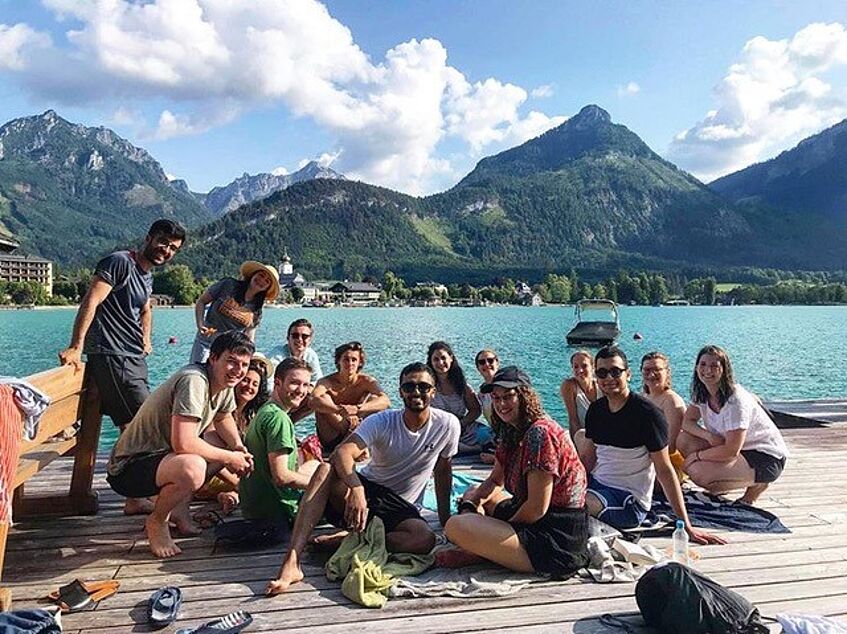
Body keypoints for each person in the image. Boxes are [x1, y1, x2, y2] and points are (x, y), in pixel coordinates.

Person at [265, 362, 460, 596]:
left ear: (433, 391)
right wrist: (357, 490)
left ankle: (350, 540)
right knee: (325, 469)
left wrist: (445, 519)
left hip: (401, 506)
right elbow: (343, 452)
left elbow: (443, 470)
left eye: (423, 386)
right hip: (369, 492)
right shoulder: (384, 421)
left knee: (424, 540)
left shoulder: (448, 425)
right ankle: (292, 562)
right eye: (409, 386)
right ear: (400, 391)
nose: (416, 392)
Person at [59, 218, 186, 516]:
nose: (166, 251)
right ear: (149, 237)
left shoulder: (146, 274)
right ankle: (138, 495)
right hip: (112, 356)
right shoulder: (119, 262)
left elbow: (145, 307)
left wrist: (146, 338)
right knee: (145, 426)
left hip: (133, 358)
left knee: (132, 427)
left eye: (173, 249)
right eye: (163, 243)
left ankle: (134, 497)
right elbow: (91, 300)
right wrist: (77, 346)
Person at [105, 332, 256, 558]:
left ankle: (178, 512)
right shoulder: (194, 380)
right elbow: (183, 442)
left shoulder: (223, 383)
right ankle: (157, 521)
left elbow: (223, 417)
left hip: (159, 460)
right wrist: (229, 458)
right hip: (127, 469)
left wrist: (237, 447)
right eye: (232, 361)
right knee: (192, 467)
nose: (238, 370)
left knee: (218, 444)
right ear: (213, 358)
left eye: (244, 364)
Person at [445, 367, 590, 578]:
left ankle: (486, 550)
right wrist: (471, 504)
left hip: (556, 539)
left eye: (508, 397)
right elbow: (495, 480)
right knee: (476, 492)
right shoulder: (511, 431)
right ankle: (489, 547)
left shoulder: (540, 434)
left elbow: (536, 508)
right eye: (496, 398)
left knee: (455, 526)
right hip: (535, 520)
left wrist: (496, 528)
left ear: (524, 396)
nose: (501, 404)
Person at [574, 346, 725, 545]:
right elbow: (588, 459)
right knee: (557, 496)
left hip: (628, 501)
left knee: (575, 504)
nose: (609, 378)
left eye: (615, 371)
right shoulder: (596, 411)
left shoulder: (648, 415)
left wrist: (685, 525)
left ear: (628, 374)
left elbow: (664, 470)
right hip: (598, 485)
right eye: (602, 373)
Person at [678, 345, 789, 505]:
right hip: (734, 449)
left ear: (724, 369)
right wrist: (708, 435)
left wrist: (696, 457)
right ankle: (725, 480)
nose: (707, 370)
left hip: (764, 456)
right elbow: (687, 422)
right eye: (703, 364)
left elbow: (730, 451)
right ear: (696, 367)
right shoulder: (703, 393)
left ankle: (756, 486)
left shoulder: (735, 400)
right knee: (684, 440)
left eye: (714, 365)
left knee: (698, 472)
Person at [239, 358, 323, 523]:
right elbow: (282, 477)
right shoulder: (279, 419)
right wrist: (323, 485)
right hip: (279, 512)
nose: (301, 390)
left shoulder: (265, 410)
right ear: (277, 383)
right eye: (294, 383)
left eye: (305, 385)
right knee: (335, 484)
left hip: (253, 507)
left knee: (317, 466)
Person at [190, 261, 280, 364]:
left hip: (229, 351)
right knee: (197, 372)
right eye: (261, 275)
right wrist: (200, 324)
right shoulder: (228, 285)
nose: (262, 280)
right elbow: (201, 302)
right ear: (252, 275)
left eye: (267, 281)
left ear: (267, 288)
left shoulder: (256, 310)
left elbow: (249, 337)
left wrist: (248, 358)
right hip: (205, 342)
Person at [310, 342, 390, 453]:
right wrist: (340, 410)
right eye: (346, 359)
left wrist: (357, 409)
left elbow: (385, 401)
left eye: (354, 360)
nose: (350, 363)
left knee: (374, 399)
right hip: (332, 435)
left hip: (357, 432)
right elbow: (312, 400)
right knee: (323, 398)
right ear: (339, 361)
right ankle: (350, 436)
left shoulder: (366, 381)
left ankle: (352, 438)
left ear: (359, 362)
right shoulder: (327, 382)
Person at [427, 341, 483, 454]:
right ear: (431, 362)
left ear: (451, 358)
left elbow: (476, 410)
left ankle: (459, 448)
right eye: (436, 359)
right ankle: (468, 449)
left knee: (486, 435)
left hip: (462, 427)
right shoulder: (427, 387)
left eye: (443, 358)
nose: (441, 362)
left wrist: (461, 424)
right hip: (438, 429)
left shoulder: (462, 386)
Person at [267, 319, 323, 422]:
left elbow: (319, 381)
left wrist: (308, 389)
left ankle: (289, 423)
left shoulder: (311, 355)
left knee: (316, 398)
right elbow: (268, 384)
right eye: (295, 335)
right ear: (288, 338)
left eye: (304, 336)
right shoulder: (277, 355)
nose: (300, 339)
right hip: (273, 397)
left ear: (310, 340)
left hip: (292, 396)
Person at [559, 350, 599, 442]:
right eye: (576, 367)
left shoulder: (601, 385)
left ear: (593, 367)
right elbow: (573, 420)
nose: (580, 370)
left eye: (584, 366)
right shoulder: (569, 386)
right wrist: (577, 446)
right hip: (584, 438)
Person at [474, 349, 500, 425]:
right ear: (478, 368)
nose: (487, 364)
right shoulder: (482, 394)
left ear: (497, 363)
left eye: (490, 360)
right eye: (482, 362)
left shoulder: (508, 387)